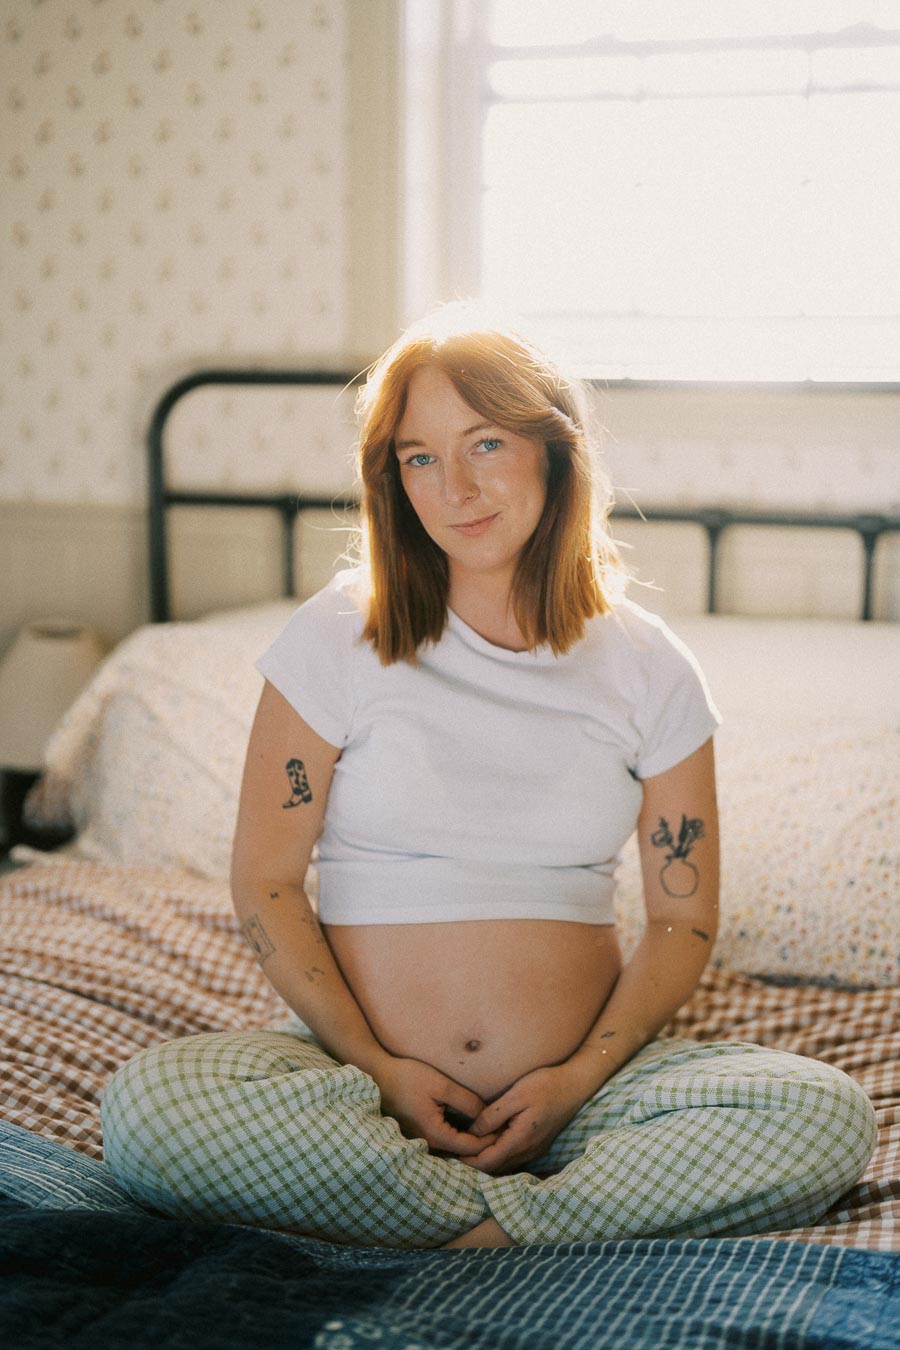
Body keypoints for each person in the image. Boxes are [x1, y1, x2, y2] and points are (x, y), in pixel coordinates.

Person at [102, 307, 876, 1249]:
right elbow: (265, 878)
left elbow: (684, 919)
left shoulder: (649, 666)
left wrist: (574, 1083)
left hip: (583, 1102)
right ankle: (530, 1228)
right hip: (363, 1099)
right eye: (418, 457)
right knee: (148, 1111)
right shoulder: (335, 638)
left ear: (555, 453)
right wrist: (378, 1069)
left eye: (485, 444)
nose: (454, 487)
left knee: (825, 1112)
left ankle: (459, 1226)